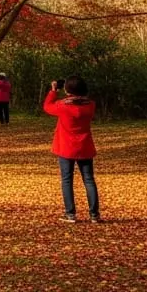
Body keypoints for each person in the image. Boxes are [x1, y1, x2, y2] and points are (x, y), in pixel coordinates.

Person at [45, 76, 101, 223]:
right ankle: (94, 214)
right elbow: (81, 101)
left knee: (67, 180)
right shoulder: (90, 105)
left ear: (68, 90)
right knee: (89, 180)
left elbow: (47, 107)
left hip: (66, 147)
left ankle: (70, 214)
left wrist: (53, 91)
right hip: (85, 146)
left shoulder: (63, 105)